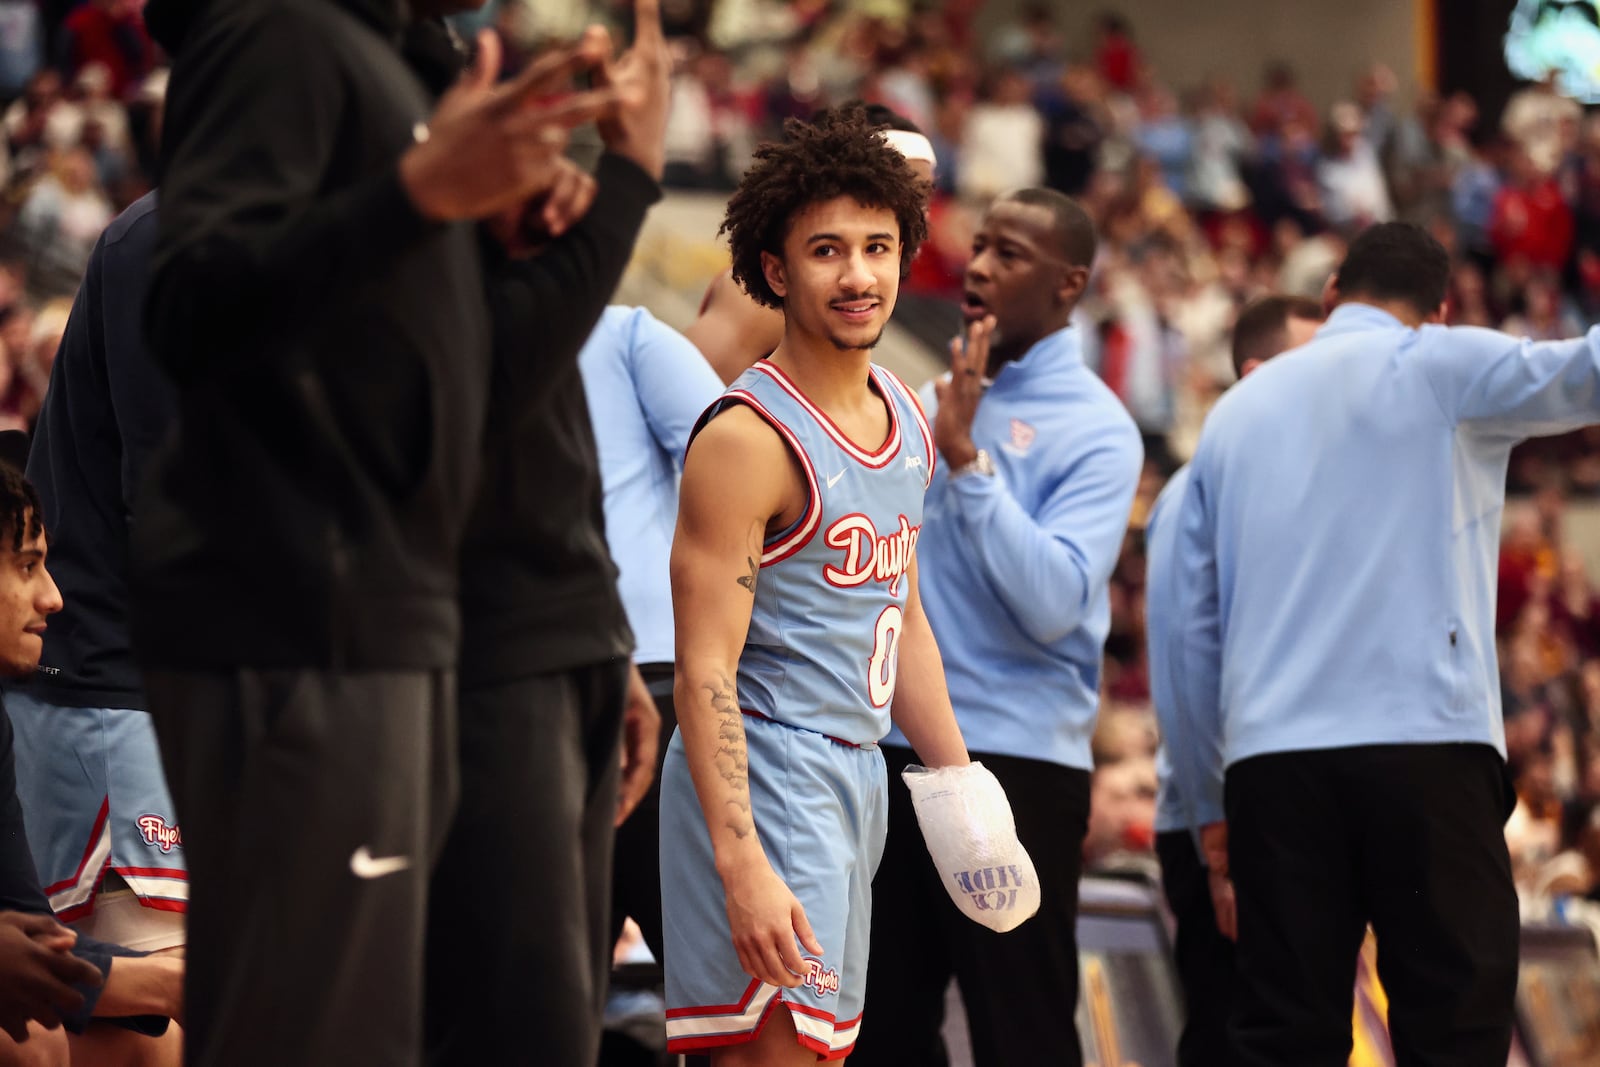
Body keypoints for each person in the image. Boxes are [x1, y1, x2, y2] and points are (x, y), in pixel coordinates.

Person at [132, 1, 620, 1063]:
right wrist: (417, 195)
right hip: (301, 613)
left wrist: (475, 225)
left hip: (385, 616)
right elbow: (187, 305)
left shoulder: (372, 60)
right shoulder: (280, 30)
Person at [1170, 220, 1600, 1065]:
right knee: (1454, 1028)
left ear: (1331, 295)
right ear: (1437, 312)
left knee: (1284, 1033)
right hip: (1426, 753)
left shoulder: (1233, 414)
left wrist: (1206, 805)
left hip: (1273, 765)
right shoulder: (1438, 363)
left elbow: (1191, 634)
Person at [662, 106, 975, 1064]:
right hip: (768, 766)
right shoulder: (746, 439)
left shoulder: (908, 421)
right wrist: (740, 856)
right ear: (775, 269)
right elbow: (705, 667)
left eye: (878, 247)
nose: (858, 274)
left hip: (857, 772)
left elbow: (904, 616)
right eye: (828, 250)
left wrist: (961, 783)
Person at [407, 3, 674, 1065]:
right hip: (479, 653)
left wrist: (610, 644)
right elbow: (488, 380)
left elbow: (546, 444)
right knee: (511, 1025)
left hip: (562, 643)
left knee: (559, 1021)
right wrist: (631, 180)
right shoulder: (357, 104)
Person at [854, 188, 1143, 1067]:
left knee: (1021, 1034)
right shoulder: (922, 403)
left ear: (1069, 284)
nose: (977, 267)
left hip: (1017, 769)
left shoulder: (1100, 429)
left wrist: (971, 462)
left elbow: (1056, 599)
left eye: (1009, 254)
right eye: (977, 246)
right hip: (896, 754)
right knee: (883, 1036)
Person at [4, 191, 186, 961]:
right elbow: (178, 505)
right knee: (152, 1021)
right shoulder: (164, 237)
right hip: (114, 684)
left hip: (182, 685)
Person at [1145, 293, 1321, 1067]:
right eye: (1315, 368)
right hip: (1217, 817)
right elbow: (1185, 669)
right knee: (1233, 1039)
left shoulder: (1303, 497)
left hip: (1278, 808)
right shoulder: (1198, 491)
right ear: (1256, 377)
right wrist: (1219, 841)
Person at [0, 459, 182, 1067]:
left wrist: (184, 979)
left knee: (154, 1046)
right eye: (28, 566)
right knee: (31, 1043)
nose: (54, 597)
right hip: (111, 704)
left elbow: (27, 924)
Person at [577, 305, 724, 965]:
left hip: (663, 679)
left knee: (713, 985)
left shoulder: (625, 333)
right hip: (528, 677)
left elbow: (744, 468)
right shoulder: (455, 325)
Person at [680, 103, 936, 385]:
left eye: (925, 195)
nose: (920, 211)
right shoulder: (757, 302)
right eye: (910, 191)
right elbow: (679, 397)